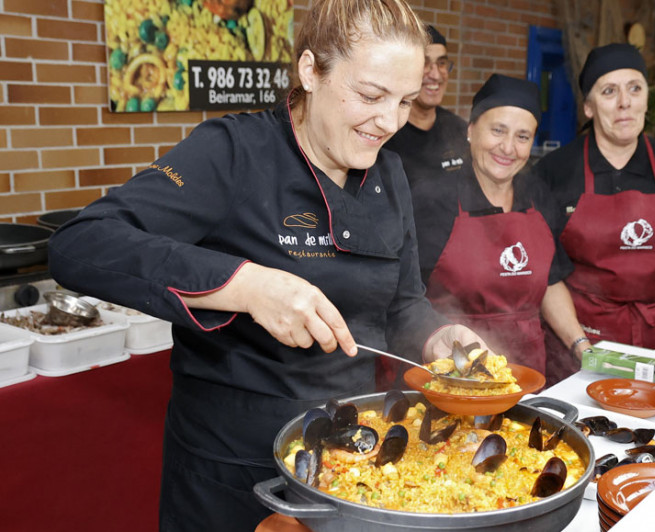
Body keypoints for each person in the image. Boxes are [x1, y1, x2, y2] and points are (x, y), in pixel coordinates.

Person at [47, 1, 482, 530]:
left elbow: (403, 303)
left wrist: (437, 338)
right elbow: (81, 243)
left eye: (405, 101)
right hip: (233, 469)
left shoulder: (389, 172)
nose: (389, 122)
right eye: (370, 96)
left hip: (351, 462)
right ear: (309, 70)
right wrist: (245, 285)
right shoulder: (232, 151)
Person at [534, 43, 655, 379]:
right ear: (588, 107)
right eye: (609, 91)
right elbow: (546, 274)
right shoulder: (554, 171)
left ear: (646, 98)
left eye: (635, 88)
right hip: (577, 344)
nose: (624, 102)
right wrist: (581, 346)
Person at [412, 74, 589, 378]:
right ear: (470, 130)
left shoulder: (538, 195)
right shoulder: (432, 201)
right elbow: (405, 299)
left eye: (522, 137)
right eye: (498, 131)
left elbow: (550, 281)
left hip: (527, 374)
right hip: (454, 373)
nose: (508, 147)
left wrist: (582, 347)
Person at [382, 25, 469, 186]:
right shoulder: (385, 132)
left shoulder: (459, 130)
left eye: (441, 63)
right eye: (425, 63)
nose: (435, 75)